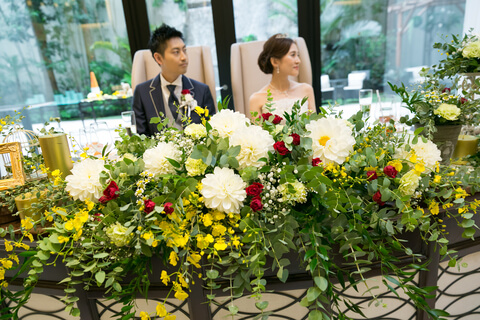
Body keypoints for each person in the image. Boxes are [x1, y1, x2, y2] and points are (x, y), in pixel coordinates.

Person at [132, 24, 216, 136]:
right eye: (176, 52)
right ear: (158, 58)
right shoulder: (143, 93)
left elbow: (212, 133)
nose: (184, 57)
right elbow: (142, 137)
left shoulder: (202, 91)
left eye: (184, 50)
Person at [249, 34, 316, 119]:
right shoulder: (256, 99)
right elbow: (257, 132)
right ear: (275, 61)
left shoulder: (306, 90)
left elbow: (314, 127)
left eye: (298, 55)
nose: (298, 61)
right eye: (292, 55)